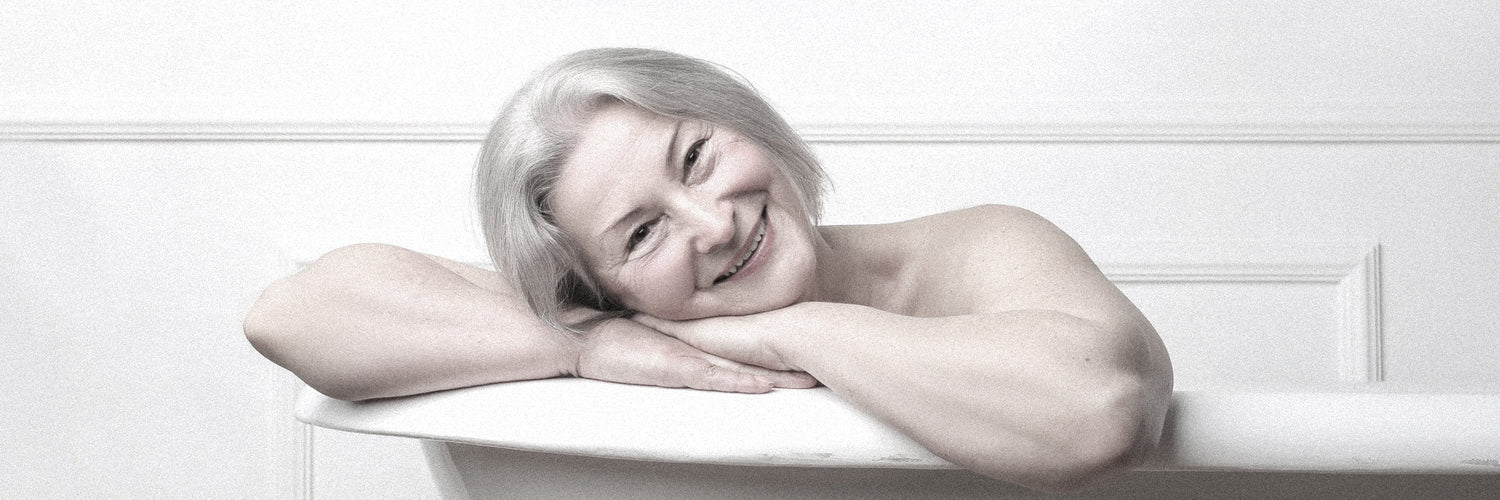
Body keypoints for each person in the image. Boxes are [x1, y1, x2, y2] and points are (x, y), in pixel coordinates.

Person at [244, 48, 1172, 492]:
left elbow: (1097, 413)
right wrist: (587, 346)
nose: (713, 223)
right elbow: (293, 314)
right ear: (602, 289)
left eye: (695, 157)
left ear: (745, 122)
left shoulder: (983, 244)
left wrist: (787, 329)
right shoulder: (619, 321)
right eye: (641, 235)